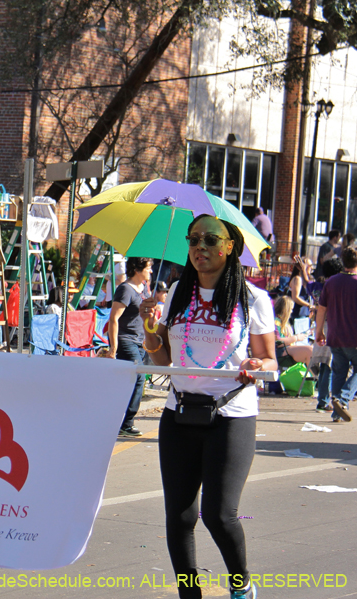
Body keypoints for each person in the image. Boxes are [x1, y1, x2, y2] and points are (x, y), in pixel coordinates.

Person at [140, 215, 276, 599]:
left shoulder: (253, 298)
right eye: (194, 239)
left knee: (218, 514)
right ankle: (190, 595)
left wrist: (256, 365)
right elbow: (162, 362)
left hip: (230, 414)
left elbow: (270, 360)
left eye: (210, 239)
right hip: (179, 412)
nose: (200, 247)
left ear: (229, 246)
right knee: (179, 517)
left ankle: (240, 585)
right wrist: (151, 328)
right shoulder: (177, 295)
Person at [106, 256, 152, 437]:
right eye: (149, 268)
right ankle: (126, 423)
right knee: (138, 377)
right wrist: (113, 348)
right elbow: (113, 318)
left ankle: (118, 419)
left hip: (141, 341)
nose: (151, 271)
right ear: (138, 269)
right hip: (126, 340)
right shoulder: (125, 289)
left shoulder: (145, 290)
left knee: (133, 381)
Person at [315, 246, 357, 424]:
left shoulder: (331, 282)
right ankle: (343, 399)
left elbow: (321, 308)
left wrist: (319, 331)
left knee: (339, 372)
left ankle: (336, 413)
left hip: (335, 335)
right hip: (354, 336)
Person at [273, 296, 312, 365]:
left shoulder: (285, 323)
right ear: (286, 309)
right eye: (291, 309)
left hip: (287, 349)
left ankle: (312, 374)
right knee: (309, 350)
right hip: (279, 351)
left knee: (312, 350)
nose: (292, 311)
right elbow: (277, 341)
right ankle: (311, 375)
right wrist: (296, 338)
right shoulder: (275, 322)